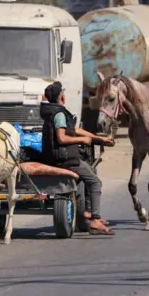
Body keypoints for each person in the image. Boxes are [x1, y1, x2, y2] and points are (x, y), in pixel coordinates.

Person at [40, 81, 115, 235]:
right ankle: (95, 219)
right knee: (95, 182)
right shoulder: (59, 114)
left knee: (86, 176)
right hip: (65, 158)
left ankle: (87, 211)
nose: (64, 95)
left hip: (61, 156)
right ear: (61, 97)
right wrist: (81, 140)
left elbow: (75, 129)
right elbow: (62, 138)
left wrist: (98, 139)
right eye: (63, 92)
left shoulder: (54, 111)